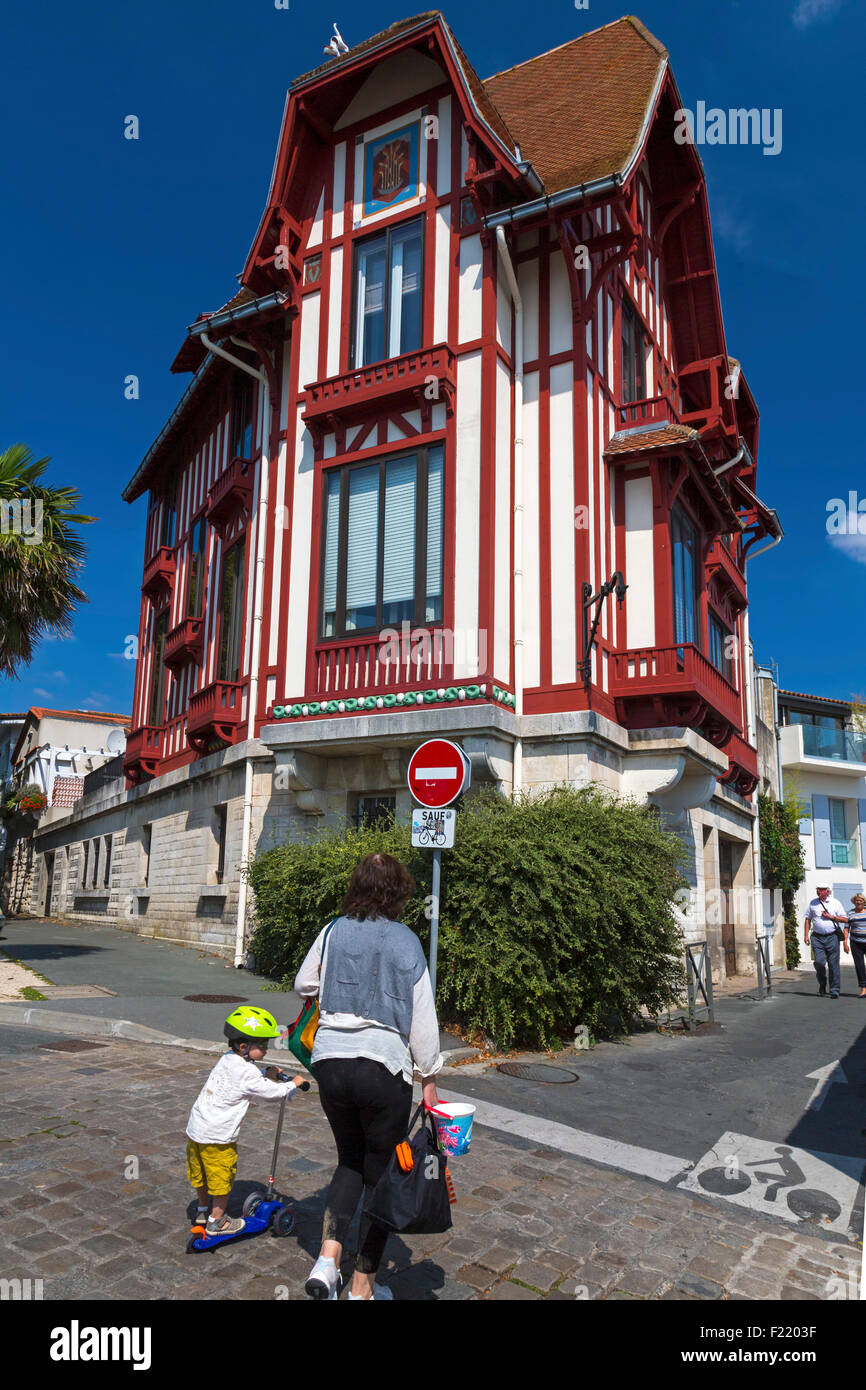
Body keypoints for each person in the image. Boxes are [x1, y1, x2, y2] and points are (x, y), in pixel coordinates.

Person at [295, 852, 443, 1301]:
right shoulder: (406, 941)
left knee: (349, 1161)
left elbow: (304, 985)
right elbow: (422, 1018)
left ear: (357, 887)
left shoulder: (332, 930)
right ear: (397, 893)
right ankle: (362, 1288)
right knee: (383, 1177)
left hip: (332, 1064)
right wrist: (429, 1079)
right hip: (382, 1068)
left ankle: (326, 1263)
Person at [185, 1005, 307, 1236]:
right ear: (244, 1047)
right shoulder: (248, 1072)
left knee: (200, 1173)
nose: (266, 1050)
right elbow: (271, 1093)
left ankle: (203, 1210)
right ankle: (216, 1223)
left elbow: (241, 1080)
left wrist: (265, 1074)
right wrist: (294, 1083)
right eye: (262, 1046)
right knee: (221, 1177)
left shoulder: (228, 1058)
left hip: (197, 1129)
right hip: (218, 1136)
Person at [803, 884, 849, 999]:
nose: (818, 891)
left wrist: (831, 916)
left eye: (821, 890)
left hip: (832, 937)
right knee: (819, 962)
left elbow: (845, 919)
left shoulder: (835, 903)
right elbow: (808, 919)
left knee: (833, 965)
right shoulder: (813, 903)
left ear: (827, 892)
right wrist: (806, 935)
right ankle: (822, 984)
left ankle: (834, 990)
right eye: (817, 889)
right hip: (817, 937)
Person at [847, 893, 866, 998]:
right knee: (860, 966)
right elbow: (846, 928)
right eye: (856, 900)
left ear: (864, 902)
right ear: (854, 902)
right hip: (856, 943)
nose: (858, 902)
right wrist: (845, 942)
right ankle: (864, 989)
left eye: (860, 900)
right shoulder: (850, 913)